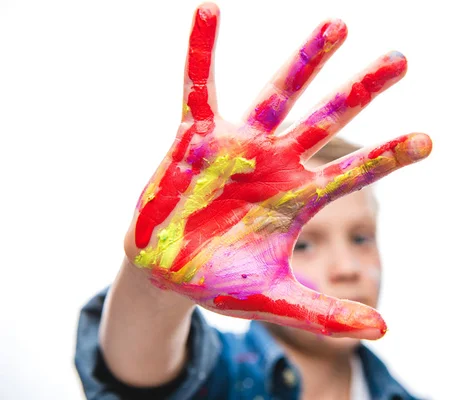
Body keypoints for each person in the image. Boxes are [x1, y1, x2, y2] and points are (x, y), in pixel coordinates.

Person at [75, 3, 432, 399]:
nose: (346, 268)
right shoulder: (222, 373)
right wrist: (155, 284)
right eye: (306, 243)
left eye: (361, 239)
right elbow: (138, 370)